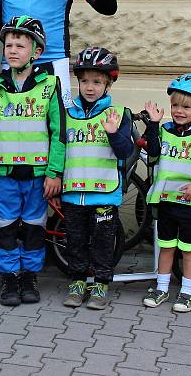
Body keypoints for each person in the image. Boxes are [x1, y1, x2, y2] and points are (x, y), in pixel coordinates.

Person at [0, 15, 64, 307]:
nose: (13, 50)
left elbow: (59, 132)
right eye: (8, 45)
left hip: (37, 173)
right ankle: (9, 277)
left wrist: (54, 172)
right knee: (4, 226)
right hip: (4, 171)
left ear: (37, 52)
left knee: (33, 226)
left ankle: (29, 276)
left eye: (20, 45)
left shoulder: (50, 85)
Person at [60, 47, 133, 310]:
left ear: (108, 83)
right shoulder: (66, 112)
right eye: (84, 81)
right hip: (73, 192)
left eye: (97, 82)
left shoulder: (118, 114)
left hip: (104, 192)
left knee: (103, 242)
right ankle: (77, 282)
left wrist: (114, 133)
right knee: (75, 241)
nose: (90, 87)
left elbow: (126, 151)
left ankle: (100, 284)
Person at [141, 74, 191, 312]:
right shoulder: (165, 131)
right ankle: (162, 288)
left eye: (186, 106)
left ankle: (187, 292)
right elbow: (153, 154)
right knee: (166, 247)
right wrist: (153, 124)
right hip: (166, 202)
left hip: (190, 204)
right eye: (175, 105)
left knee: (188, 249)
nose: (178, 110)